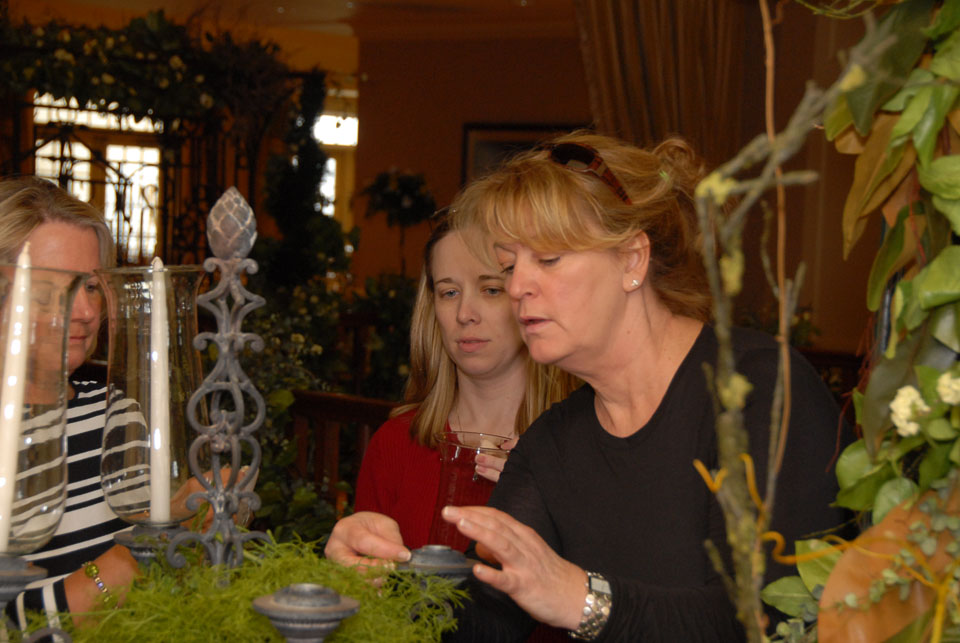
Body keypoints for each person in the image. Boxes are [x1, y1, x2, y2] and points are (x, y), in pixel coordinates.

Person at [326, 132, 847, 640]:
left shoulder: (759, 389)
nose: (517, 286)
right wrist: (384, 576)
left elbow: (771, 619)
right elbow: (481, 617)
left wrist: (579, 598)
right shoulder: (555, 441)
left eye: (548, 259)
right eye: (509, 265)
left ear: (632, 260)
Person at [329, 216, 578, 562]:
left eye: (491, 289)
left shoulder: (579, 449)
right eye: (449, 292)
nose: (464, 314)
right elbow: (368, 586)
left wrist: (551, 505)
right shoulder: (396, 443)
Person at [0, 176, 139, 629]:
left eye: (93, 286)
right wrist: (127, 564)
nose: (87, 312)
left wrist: (209, 514)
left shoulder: (117, 415)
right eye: (56, 286)